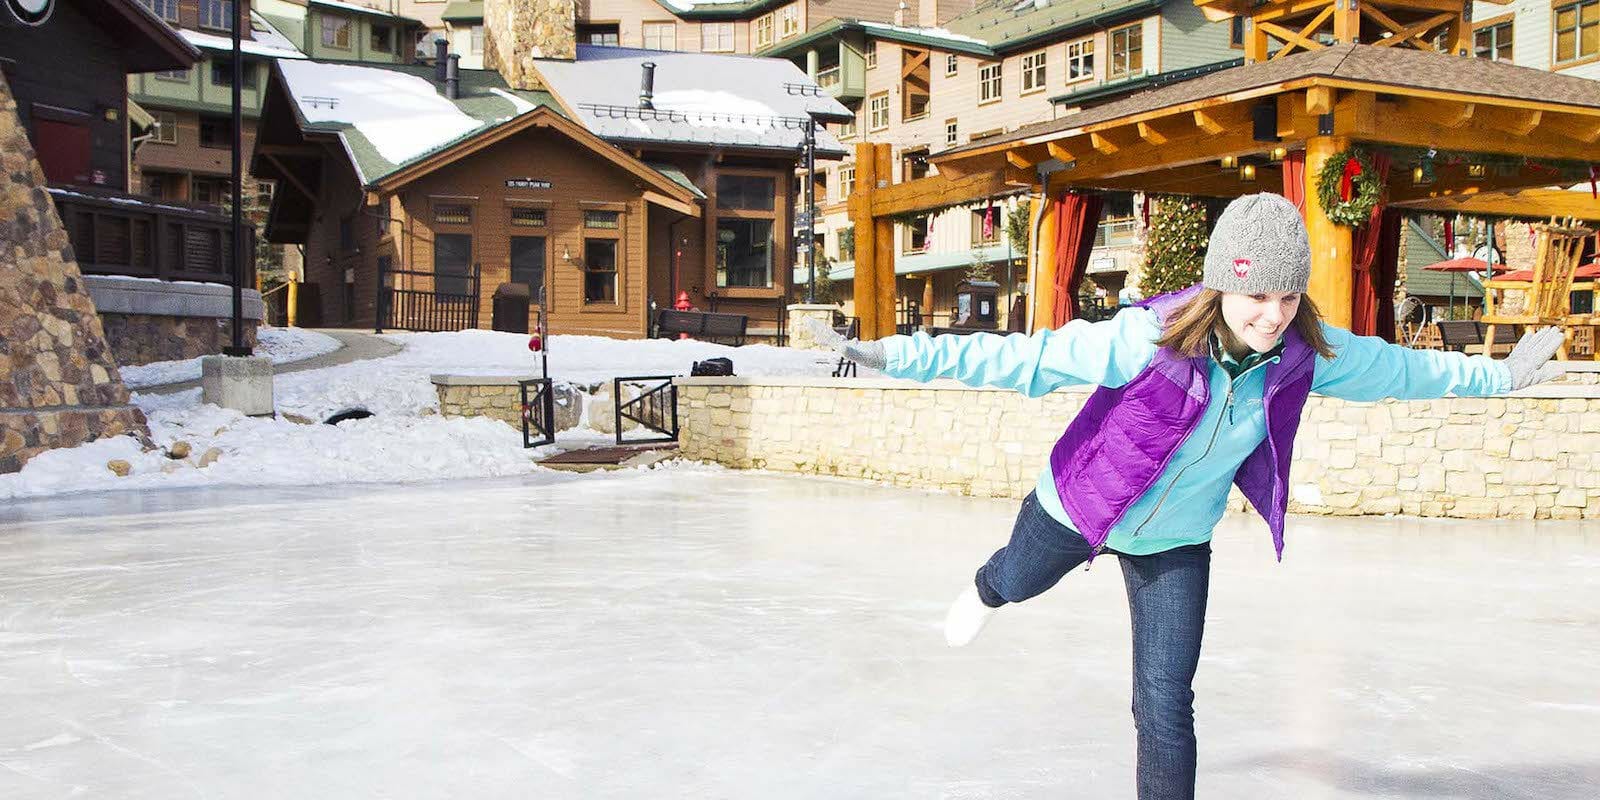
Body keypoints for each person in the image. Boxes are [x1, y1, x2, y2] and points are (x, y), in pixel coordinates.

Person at [806, 193, 1565, 800]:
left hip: (1176, 542)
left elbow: (1404, 371)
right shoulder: (1144, 339)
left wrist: (1498, 375)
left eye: (1289, 296)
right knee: (1015, 579)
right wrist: (891, 354)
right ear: (1224, 284)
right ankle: (988, 585)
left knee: (1166, 702)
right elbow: (1020, 359)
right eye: (1258, 294)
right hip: (1077, 509)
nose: (1273, 315)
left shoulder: (1301, 356)